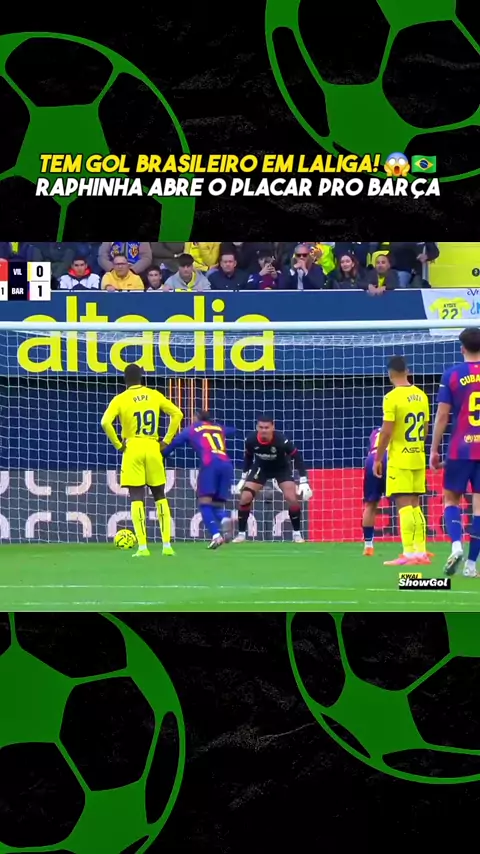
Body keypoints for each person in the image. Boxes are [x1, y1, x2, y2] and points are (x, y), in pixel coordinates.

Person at [101, 364, 183, 558]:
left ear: (125, 379)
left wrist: (118, 445)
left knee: (137, 497)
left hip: (133, 447)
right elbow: (177, 414)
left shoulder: (120, 399)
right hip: (153, 446)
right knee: (160, 495)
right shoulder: (154, 395)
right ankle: (166, 546)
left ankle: (143, 547)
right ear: (141, 378)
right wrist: (166, 441)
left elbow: (105, 422)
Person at [430, 327, 480, 577]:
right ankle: (471, 566)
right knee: (479, 509)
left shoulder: (452, 375)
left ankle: (456, 546)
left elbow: (442, 415)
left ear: (462, 348)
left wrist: (434, 449)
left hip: (460, 448)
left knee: (451, 500)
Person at [373, 356, 430, 566]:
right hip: (418, 455)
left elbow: (387, 431)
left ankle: (408, 554)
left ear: (389, 374)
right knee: (415, 505)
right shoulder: (421, 395)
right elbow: (425, 428)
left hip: (400, 458)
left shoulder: (391, 397)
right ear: (408, 371)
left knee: (404, 505)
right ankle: (421, 552)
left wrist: (378, 457)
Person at [162, 411, 235, 549]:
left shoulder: (191, 429)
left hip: (210, 464)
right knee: (216, 504)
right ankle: (224, 518)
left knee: (204, 503)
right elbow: (233, 431)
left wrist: (162, 454)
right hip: (226, 464)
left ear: (196, 418)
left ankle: (216, 536)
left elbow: (174, 444)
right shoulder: (218, 428)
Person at [233, 416, 313, 543]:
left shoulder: (282, 440)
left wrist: (303, 481)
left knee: (292, 499)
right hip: (261, 468)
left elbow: (297, 457)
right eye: (261, 427)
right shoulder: (251, 440)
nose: (264, 430)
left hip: (281, 469)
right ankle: (241, 535)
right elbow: (248, 457)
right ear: (257, 427)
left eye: (266, 427)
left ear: (272, 427)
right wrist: (243, 478)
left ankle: (297, 534)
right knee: (245, 497)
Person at [362, 427, 387, 556]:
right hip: (390, 458)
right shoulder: (397, 428)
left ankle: (368, 546)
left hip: (372, 459)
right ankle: (414, 548)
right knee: (406, 502)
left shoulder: (375, 431)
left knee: (370, 504)